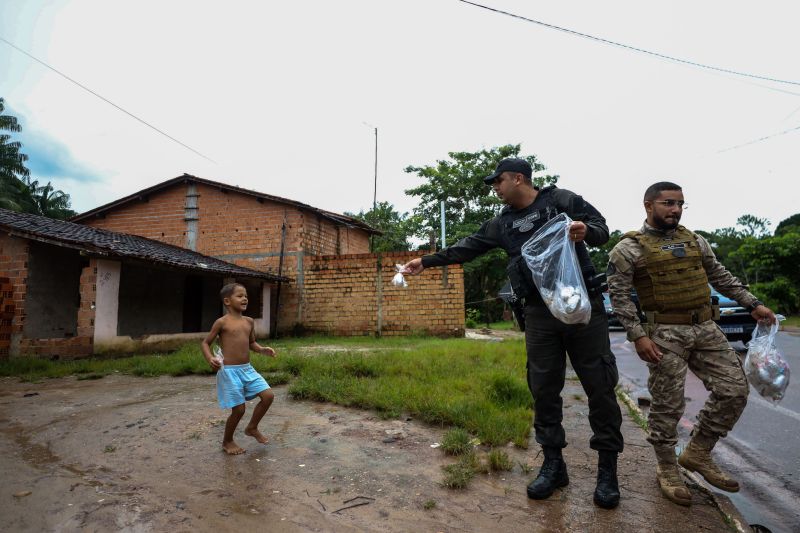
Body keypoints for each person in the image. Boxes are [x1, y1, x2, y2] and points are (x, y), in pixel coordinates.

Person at [401, 158, 624, 509]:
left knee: (599, 385)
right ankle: (553, 465)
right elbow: (467, 247)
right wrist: (425, 262)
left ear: (518, 178)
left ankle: (607, 472)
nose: (495, 188)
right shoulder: (502, 224)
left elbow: (601, 228)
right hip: (538, 313)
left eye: (498, 181)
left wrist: (585, 230)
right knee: (543, 388)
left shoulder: (561, 201)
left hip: (582, 307)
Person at [607, 181, 776, 506]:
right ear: (648, 206)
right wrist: (638, 335)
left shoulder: (695, 240)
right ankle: (667, 468)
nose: (675, 209)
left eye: (680, 203)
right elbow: (619, 298)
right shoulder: (628, 249)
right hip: (664, 334)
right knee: (668, 405)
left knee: (735, 390)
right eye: (668, 203)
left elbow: (720, 275)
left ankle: (698, 452)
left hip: (706, 328)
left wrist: (752, 304)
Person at [201, 282, 277, 455]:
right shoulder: (221, 322)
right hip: (229, 372)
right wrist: (210, 358)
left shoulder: (249, 322)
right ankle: (227, 441)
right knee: (239, 410)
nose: (245, 299)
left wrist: (261, 349)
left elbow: (251, 343)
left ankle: (252, 427)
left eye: (246, 296)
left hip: (247, 369)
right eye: (240, 296)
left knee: (268, 396)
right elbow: (205, 343)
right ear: (227, 301)